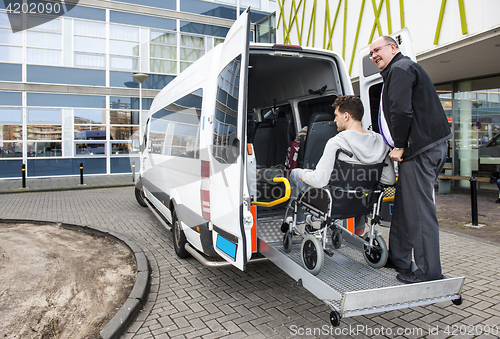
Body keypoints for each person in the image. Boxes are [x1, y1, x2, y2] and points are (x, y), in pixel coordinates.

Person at [370, 36, 452, 284]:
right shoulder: (399, 69)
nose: (374, 55)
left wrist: (400, 145)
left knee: (418, 211)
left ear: (393, 47)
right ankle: (399, 258)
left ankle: (428, 272)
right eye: (371, 52)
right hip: (425, 148)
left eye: (378, 50)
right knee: (405, 207)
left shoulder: (401, 69)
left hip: (419, 150)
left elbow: (401, 109)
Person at [289, 95, 395, 229]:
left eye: (336, 116)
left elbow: (320, 181)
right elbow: (389, 180)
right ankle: (314, 219)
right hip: (364, 202)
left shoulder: (337, 142)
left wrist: (302, 176)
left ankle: (299, 224)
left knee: (294, 174)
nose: (334, 120)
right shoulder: (380, 142)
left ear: (346, 116)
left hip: (335, 202)